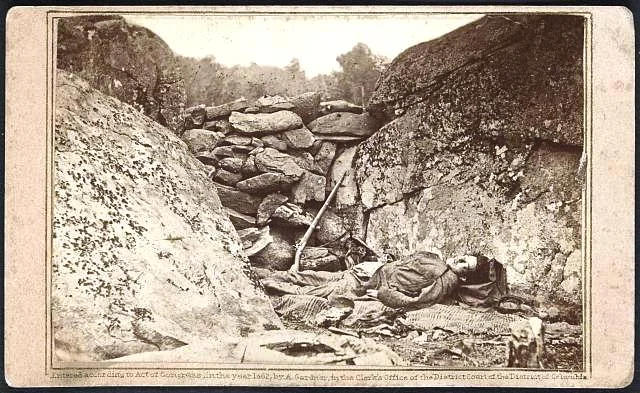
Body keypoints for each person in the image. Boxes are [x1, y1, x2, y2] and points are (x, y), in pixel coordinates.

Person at [262, 251, 506, 310]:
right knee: (304, 275)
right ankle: (256, 274)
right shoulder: (437, 258)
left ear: (464, 276)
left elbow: (418, 301)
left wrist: (382, 295)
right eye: (463, 257)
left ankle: (261, 287)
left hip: (367, 283)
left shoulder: (447, 280)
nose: (459, 260)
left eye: (465, 265)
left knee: (312, 291)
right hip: (367, 269)